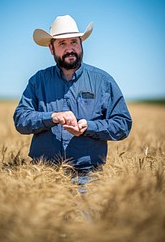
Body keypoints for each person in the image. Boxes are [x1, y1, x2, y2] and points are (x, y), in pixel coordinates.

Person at [13, 15, 132, 176]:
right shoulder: (38, 81)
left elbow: (122, 125)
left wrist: (89, 127)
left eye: (74, 42)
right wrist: (52, 117)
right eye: (62, 43)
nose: (70, 49)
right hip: (42, 175)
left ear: (81, 44)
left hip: (90, 175)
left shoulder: (103, 81)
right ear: (51, 48)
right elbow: (21, 119)